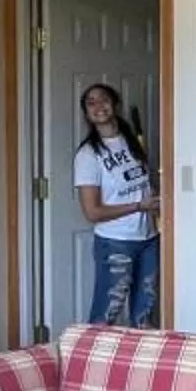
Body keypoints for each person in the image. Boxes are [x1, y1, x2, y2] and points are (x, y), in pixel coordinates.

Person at [72, 83, 160, 327]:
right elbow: (92, 212)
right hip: (115, 243)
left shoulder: (132, 142)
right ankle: (89, 360)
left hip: (149, 239)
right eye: (91, 102)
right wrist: (138, 206)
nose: (99, 106)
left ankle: (140, 363)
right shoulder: (88, 155)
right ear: (86, 113)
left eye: (104, 99)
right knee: (107, 313)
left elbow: (142, 183)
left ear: (115, 104)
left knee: (145, 314)